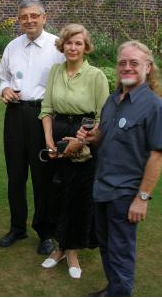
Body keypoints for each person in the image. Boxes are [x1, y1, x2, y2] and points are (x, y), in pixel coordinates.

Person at [77, 41, 162, 296]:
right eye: (122, 63)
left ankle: (120, 293)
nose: (126, 67)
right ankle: (114, 289)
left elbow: (157, 155)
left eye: (134, 63)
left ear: (148, 67)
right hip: (102, 187)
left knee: (120, 250)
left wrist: (142, 198)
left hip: (125, 194)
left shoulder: (154, 107)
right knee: (107, 246)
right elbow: (103, 138)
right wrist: (90, 137)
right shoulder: (112, 100)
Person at [38, 24, 109, 279]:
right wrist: (49, 141)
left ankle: (73, 252)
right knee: (56, 196)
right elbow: (46, 109)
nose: (73, 47)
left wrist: (82, 141)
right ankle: (59, 248)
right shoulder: (56, 71)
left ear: (86, 47)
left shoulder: (96, 76)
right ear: (62, 45)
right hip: (56, 140)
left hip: (84, 140)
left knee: (78, 198)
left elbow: (103, 117)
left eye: (78, 43)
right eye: (69, 42)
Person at [0, 0, 64, 254]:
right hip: (15, 115)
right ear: (19, 19)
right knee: (15, 176)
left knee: (42, 177)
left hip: (43, 116)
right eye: (24, 17)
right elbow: (2, 78)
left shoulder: (57, 46)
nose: (29, 21)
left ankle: (46, 232)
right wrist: (4, 89)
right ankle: (17, 227)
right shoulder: (12, 47)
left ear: (44, 17)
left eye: (34, 16)